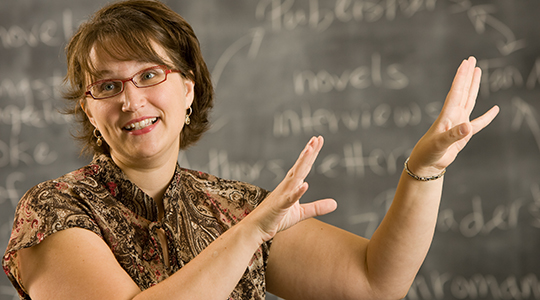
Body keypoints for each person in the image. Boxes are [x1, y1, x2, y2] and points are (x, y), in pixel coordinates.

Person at [2, 0, 500, 299]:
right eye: (107, 87)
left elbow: (374, 283)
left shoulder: (234, 207)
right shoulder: (54, 210)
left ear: (189, 89)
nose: (132, 100)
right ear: (90, 111)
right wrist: (249, 235)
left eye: (150, 75)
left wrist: (424, 169)